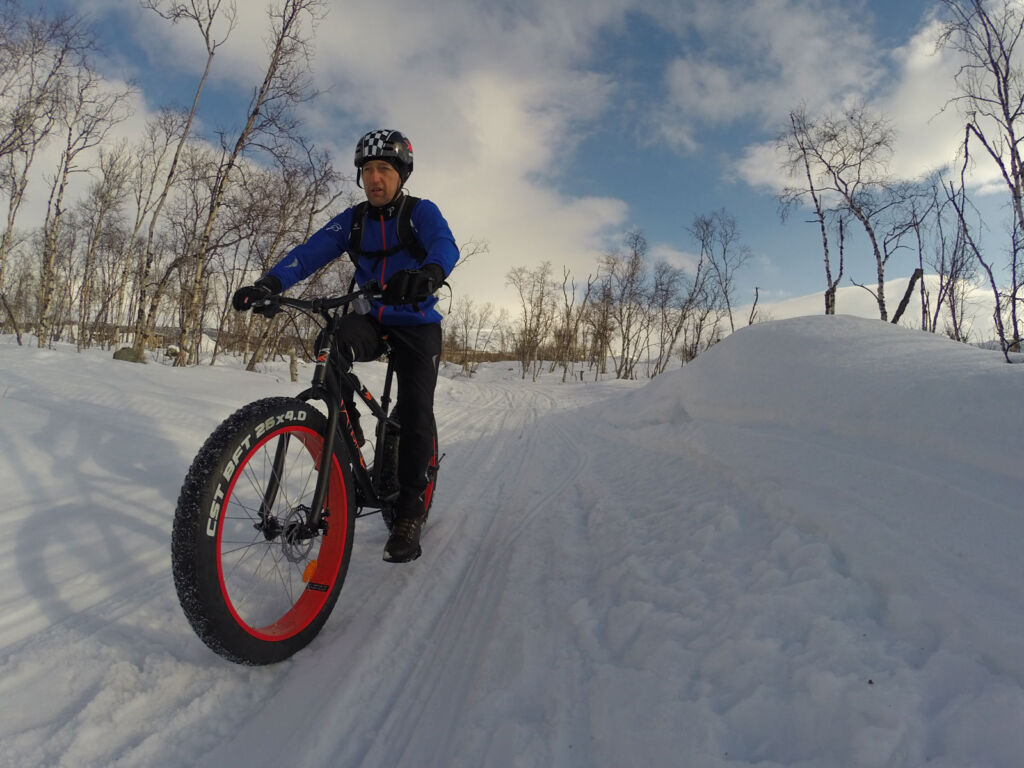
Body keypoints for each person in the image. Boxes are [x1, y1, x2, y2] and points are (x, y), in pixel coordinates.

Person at [232, 129, 459, 563]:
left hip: (417, 323)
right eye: (367, 170)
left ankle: (409, 508)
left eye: (384, 170)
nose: (374, 178)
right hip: (372, 319)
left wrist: (429, 273)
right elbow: (311, 251)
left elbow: (445, 247)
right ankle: (344, 451)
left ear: (401, 175)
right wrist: (270, 284)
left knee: (415, 410)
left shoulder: (420, 213)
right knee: (329, 343)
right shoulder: (353, 221)